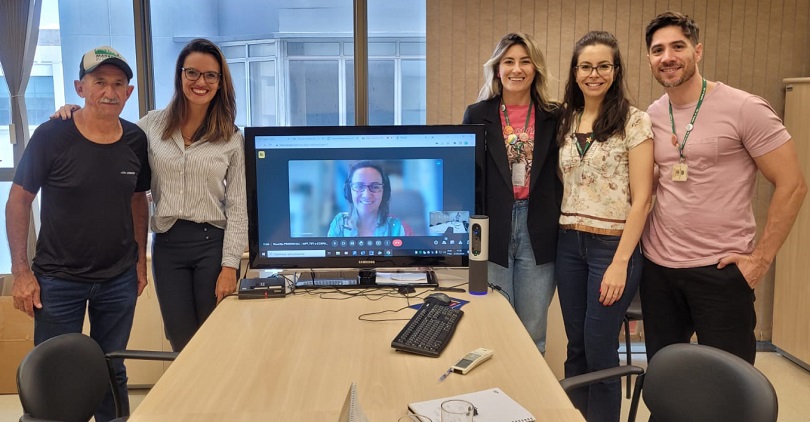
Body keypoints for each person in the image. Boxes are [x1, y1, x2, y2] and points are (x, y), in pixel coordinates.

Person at [54, 39, 248, 353]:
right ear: (180, 75)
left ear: (220, 81)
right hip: (168, 247)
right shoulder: (151, 125)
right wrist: (74, 111)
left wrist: (229, 266)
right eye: (192, 73)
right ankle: (187, 402)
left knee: (216, 337)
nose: (201, 82)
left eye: (210, 75)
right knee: (180, 339)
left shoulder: (231, 137)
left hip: (212, 245)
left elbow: (238, 206)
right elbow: (108, 130)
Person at [642, 11, 807, 364]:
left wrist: (759, 261)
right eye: (658, 50)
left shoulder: (745, 108)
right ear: (650, 59)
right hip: (659, 270)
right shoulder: (651, 115)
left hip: (721, 270)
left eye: (677, 47)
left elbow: (792, 185)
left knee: (729, 387)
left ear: (697, 51)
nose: (667, 57)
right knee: (666, 379)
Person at [7, 46, 150, 421]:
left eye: (119, 84)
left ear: (129, 93)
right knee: (56, 374)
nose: (110, 91)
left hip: (118, 279)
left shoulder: (135, 140)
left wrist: (140, 259)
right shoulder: (52, 135)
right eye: (99, 82)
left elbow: (138, 201)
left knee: (111, 367)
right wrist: (21, 272)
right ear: (80, 87)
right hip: (58, 281)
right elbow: (18, 201)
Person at [555, 31, 653, 422]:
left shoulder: (635, 120)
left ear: (615, 70)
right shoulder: (565, 119)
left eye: (603, 66)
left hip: (612, 249)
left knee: (599, 348)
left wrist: (620, 261)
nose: (593, 74)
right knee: (576, 346)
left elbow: (642, 198)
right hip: (568, 244)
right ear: (575, 72)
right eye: (585, 66)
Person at [462, 33, 562, 354]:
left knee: (533, 330)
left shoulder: (555, 115)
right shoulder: (477, 114)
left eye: (525, 61)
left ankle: (529, 398)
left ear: (535, 69)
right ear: (497, 68)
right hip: (494, 228)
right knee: (495, 324)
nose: (516, 69)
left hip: (540, 226)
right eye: (509, 61)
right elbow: (469, 178)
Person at [327, 161, 409, 237]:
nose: (366, 195)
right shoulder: (339, 223)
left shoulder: (395, 227)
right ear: (349, 191)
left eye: (375, 187)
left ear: (384, 192)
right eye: (359, 186)